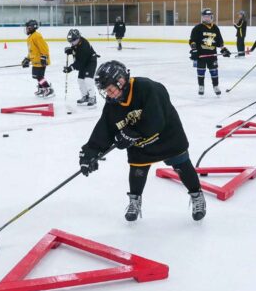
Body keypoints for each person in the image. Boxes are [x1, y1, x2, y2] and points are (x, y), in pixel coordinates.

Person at [78, 60, 206, 222]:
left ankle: (196, 195)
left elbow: (157, 119)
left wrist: (131, 133)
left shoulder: (148, 88)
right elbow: (105, 128)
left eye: (110, 90)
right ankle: (135, 201)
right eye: (105, 91)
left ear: (121, 81)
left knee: (182, 164)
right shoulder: (114, 104)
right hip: (141, 144)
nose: (108, 94)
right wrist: (90, 153)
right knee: (137, 169)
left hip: (167, 136)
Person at [190, 8, 231, 96]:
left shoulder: (215, 28)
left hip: (212, 55)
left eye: (208, 16)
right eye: (205, 16)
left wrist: (223, 49)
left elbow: (219, 41)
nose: (206, 18)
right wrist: (194, 50)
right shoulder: (198, 28)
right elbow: (192, 40)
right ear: (202, 17)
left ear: (211, 17)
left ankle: (215, 86)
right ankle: (201, 86)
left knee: (214, 71)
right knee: (201, 71)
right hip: (201, 55)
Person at [63, 28, 98, 107]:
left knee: (88, 80)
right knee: (80, 80)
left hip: (90, 62)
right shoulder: (76, 43)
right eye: (70, 41)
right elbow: (76, 51)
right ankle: (85, 96)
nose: (71, 43)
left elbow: (79, 62)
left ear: (78, 38)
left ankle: (92, 97)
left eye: (73, 41)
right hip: (83, 62)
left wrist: (70, 68)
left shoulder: (84, 46)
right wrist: (71, 50)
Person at [21, 19, 54, 98]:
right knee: (37, 76)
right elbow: (31, 51)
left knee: (39, 76)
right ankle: (42, 89)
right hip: (35, 60)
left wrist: (44, 57)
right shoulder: (30, 38)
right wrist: (27, 59)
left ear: (32, 28)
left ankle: (48, 89)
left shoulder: (37, 36)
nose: (26, 29)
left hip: (41, 60)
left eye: (28, 28)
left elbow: (44, 47)